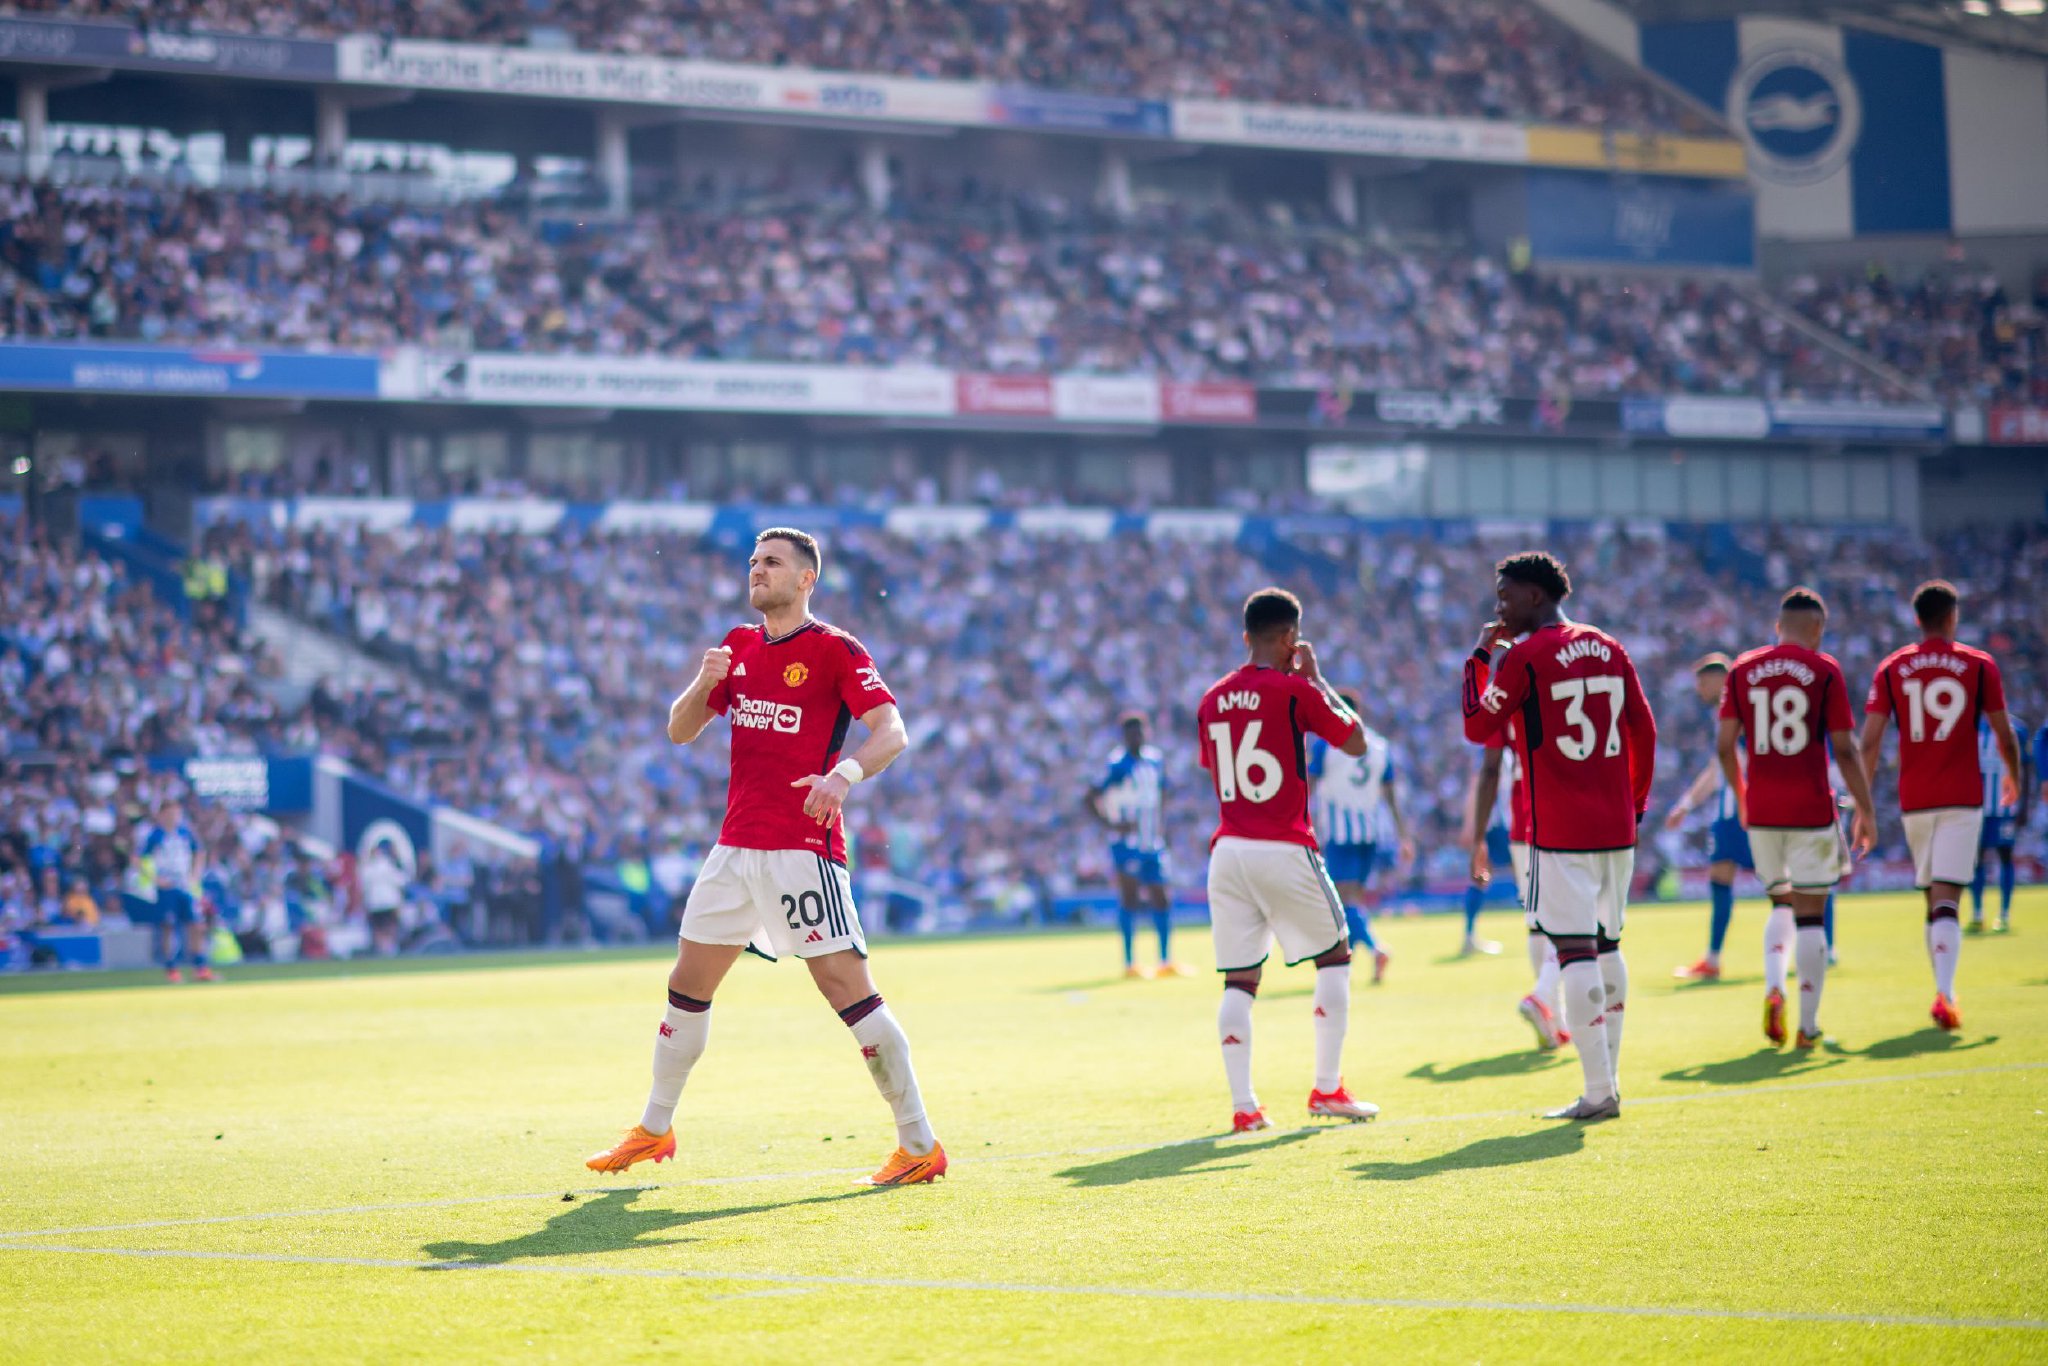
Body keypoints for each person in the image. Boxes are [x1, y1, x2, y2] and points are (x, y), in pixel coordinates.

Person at [585, 528, 942, 1186]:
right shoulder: (737, 646)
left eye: (771, 563)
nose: (757, 571)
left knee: (847, 992)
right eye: (752, 562)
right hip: (734, 849)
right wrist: (703, 681)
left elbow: (892, 730)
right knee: (687, 986)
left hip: (802, 850)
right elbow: (679, 729)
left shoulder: (836, 650)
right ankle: (655, 1129)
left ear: (806, 579)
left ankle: (919, 1141)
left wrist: (843, 778)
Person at [1463, 552, 1655, 1123]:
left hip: (1559, 832)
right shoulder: (1610, 646)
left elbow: (1477, 726)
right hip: (1616, 828)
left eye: (1505, 595)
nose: (1498, 607)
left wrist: (1479, 656)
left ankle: (1598, 1092)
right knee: (1610, 946)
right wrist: (1635, 802)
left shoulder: (1524, 656)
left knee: (1573, 952)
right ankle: (1610, 1082)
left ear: (1535, 596)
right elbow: (1644, 730)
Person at [1197, 587, 1381, 1133]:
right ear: (1289, 640)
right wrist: (1318, 681)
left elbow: (1214, 767)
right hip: (1283, 843)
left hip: (1228, 849)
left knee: (1238, 980)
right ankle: (1327, 1088)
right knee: (1336, 956)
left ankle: (1244, 1106)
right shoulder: (1294, 689)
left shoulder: (1210, 698)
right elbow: (1356, 743)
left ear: (1244, 635)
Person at [1717, 588, 1879, 1049]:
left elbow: (1725, 746)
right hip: (1809, 807)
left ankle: (1773, 985)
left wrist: (1742, 795)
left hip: (1763, 810)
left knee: (1780, 904)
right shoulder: (1824, 669)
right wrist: (1865, 809)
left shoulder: (1742, 668)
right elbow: (1846, 748)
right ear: (1817, 629)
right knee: (1811, 916)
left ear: (1777, 625)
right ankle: (1808, 1028)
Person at [1860, 579, 2022, 1032]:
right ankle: (1945, 995)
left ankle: (1942, 989)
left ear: (1916, 618)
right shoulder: (1978, 664)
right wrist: (2014, 773)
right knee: (1948, 896)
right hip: (1962, 794)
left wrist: (1863, 799)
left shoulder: (1893, 666)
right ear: (1952, 617)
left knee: (1934, 897)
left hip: (1915, 798)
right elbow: (2003, 731)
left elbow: (1869, 740)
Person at [1470, 720, 1564, 1049]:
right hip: (1562, 815)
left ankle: (1556, 1019)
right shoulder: (1560, 676)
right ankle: (1541, 997)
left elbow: (1490, 770)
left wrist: (1478, 837)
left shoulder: (1506, 695)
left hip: (1521, 824)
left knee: (1537, 922)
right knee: (1576, 920)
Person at [1667, 654, 1754, 982]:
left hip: (1742, 807)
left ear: (1721, 680)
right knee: (1722, 874)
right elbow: (1720, 765)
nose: (1699, 689)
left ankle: (1814, 939)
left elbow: (1731, 761)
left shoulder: (1740, 710)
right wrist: (1687, 804)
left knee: (1782, 887)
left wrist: (1687, 804)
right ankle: (1713, 958)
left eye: (1704, 682)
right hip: (1731, 809)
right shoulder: (1728, 712)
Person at [1308, 690, 1404, 983]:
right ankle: (1350, 959)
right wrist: (1404, 835)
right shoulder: (1379, 746)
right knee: (1352, 900)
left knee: (1341, 902)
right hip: (1370, 833)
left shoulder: (1327, 746)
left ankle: (1374, 949)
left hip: (1340, 834)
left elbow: (1309, 786)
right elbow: (1390, 796)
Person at [1084, 712, 1184, 978]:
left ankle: (1165, 960)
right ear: (1124, 737)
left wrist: (1161, 825)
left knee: (1161, 898)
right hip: (1126, 844)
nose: (1138, 737)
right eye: (1132, 733)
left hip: (1152, 842)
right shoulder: (1116, 764)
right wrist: (1110, 823)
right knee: (1130, 899)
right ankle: (1130, 963)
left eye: (1141, 732)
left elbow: (1162, 792)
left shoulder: (1155, 760)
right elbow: (1090, 796)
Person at [1969, 712, 2031, 933]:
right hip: (1975, 807)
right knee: (1975, 860)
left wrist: (2023, 805)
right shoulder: (1970, 724)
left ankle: (2004, 914)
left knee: (2005, 856)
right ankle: (1977, 914)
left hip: (2005, 807)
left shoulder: (2016, 727)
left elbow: (2025, 767)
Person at [143, 801, 212, 983]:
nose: (174, 816)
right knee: (168, 926)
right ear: (162, 815)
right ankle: (171, 968)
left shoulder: (185, 833)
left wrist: (195, 875)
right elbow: (140, 859)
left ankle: (200, 967)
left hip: (184, 885)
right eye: (170, 813)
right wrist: (156, 879)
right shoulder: (155, 836)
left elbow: (200, 853)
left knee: (195, 925)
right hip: (167, 887)